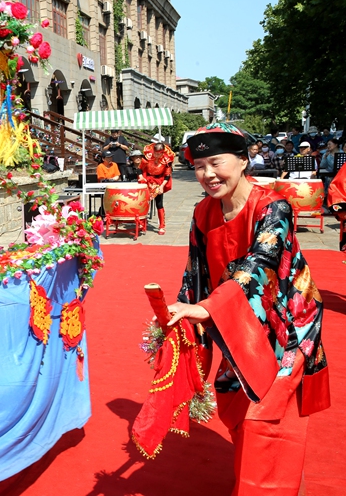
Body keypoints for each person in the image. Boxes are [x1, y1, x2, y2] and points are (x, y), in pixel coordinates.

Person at [166, 123, 330, 495]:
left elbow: (261, 263)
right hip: (232, 324)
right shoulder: (203, 212)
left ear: (243, 162)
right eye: (199, 166)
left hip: (284, 327)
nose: (207, 174)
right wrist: (184, 315)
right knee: (236, 411)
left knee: (267, 420)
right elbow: (196, 271)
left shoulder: (273, 207)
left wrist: (208, 308)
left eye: (216, 163)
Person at [140, 135, 174, 235]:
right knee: (144, 203)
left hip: (159, 182)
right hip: (147, 181)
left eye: (160, 154)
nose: (157, 156)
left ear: (163, 152)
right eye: (156, 153)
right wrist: (141, 177)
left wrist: (162, 186)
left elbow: (167, 175)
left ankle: (162, 226)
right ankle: (142, 223)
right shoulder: (147, 157)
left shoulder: (166, 160)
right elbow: (139, 169)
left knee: (159, 203)